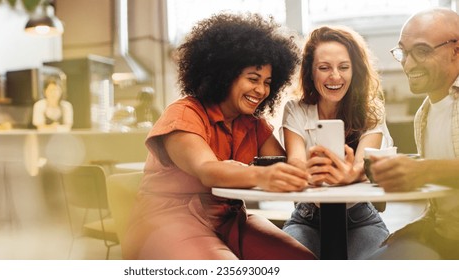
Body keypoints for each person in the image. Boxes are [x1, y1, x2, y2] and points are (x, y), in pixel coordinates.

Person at [122, 13, 315, 260]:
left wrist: (313, 165)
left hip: (230, 221)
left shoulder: (254, 125)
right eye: (253, 79)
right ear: (224, 74)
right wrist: (261, 174)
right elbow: (207, 170)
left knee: (305, 263)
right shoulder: (183, 113)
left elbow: (282, 166)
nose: (261, 90)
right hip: (167, 221)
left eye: (268, 82)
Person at [281, 25, 392, 259]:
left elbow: (365, 162)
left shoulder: (371, 110)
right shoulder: (296, 110)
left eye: (344, 67)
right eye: (324, 68)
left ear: (355, 70)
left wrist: (351, 174)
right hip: (307, 218)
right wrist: (310, 170)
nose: (335, 77)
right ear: (311, 72)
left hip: (359, 217)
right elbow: (296, 162)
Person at [369, 7, 459, 260]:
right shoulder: (424, 114)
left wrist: (424, 171)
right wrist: (423, 223)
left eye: (421, 51)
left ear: (456, 50)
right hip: (443, 237)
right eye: (403, 53)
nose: (408, 64)